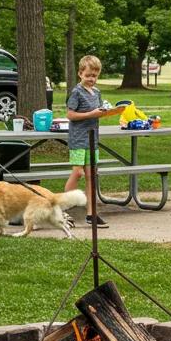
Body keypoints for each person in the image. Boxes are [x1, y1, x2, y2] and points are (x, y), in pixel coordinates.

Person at [64, 54, 109, 228]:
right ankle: (62, 209)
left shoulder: (97, 92)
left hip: (93, 138)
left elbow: (97, 110)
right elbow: (70, 115)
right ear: (80, 74)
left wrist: (105, 112)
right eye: (88, 75)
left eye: (95, 76)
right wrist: (92, 114)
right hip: (78, 139)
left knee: (91, 176)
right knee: (78, 173)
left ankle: (92, 214)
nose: (92, 79)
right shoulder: (76, 92)